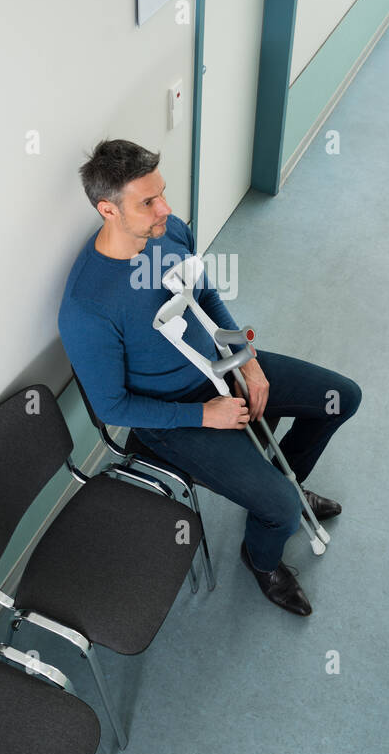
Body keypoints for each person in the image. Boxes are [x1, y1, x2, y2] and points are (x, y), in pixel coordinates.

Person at [58, 139, 362, 616]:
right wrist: (206, 414)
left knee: (340, 397)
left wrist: (249, 361)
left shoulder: (169, 232)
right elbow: (112, 408)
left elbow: (207, 297)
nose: (167, 209)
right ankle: (263, 558)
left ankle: (286, 483)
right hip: (172, 418)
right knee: (280, 511)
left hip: (221, 368)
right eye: (149, 202)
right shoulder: (87, 307)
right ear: (107, 210)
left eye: (162, 193)